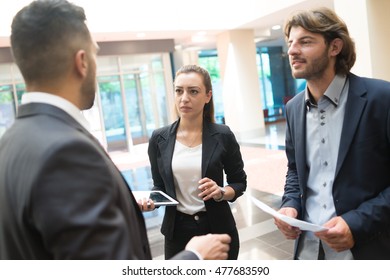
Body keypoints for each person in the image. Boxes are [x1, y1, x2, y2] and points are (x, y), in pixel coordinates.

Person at [0, 0, 231, 260]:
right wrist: (194, 257)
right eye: (96, 54)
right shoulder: (67, 152)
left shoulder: (8, 143)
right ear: (82, 62)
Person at [274, 7, 390, 260]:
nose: (292, 51)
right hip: (308, 251)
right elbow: (295, 170)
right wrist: (290, 206)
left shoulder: (382, 98)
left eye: (305, 42)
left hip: (367, 248)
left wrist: (357, 222)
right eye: (290, 43)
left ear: (334, 47)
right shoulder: (293, 108)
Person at [148, 64, 247, 260]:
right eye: (179, 91)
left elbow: (239, 182)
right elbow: (159, 186)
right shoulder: (159, 139)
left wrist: (220, 192)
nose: (184, 98)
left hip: (217, 229)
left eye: (193, 91)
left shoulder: (223, 135)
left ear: (208, 96)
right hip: (177, 232)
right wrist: (150, 201)